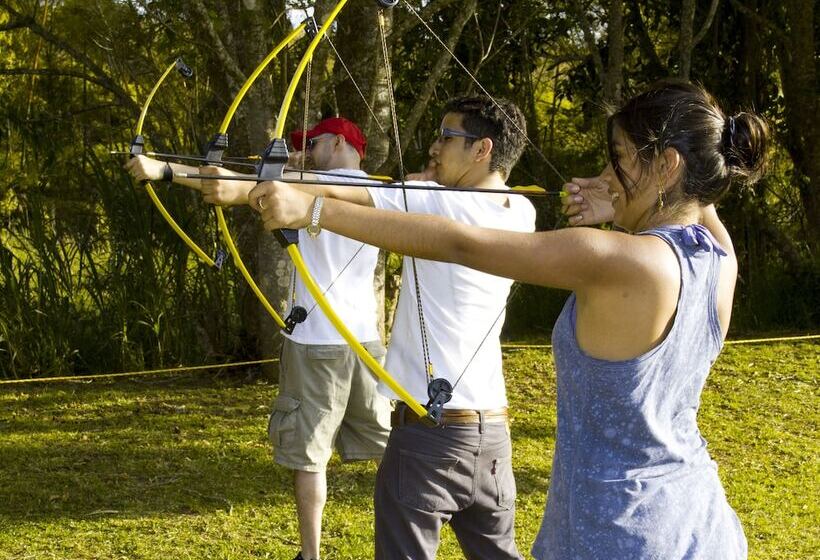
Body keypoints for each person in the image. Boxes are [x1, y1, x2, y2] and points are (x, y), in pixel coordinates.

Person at [251, 81, 767, 559]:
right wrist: (628, 200)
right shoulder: (721, 261)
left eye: (620, 161)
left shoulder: (617, 259)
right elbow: (697, 210)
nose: (607, 176)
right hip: (701, 527)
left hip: (616, 534)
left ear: (668, 165)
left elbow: (459, 243)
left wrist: (312, 210)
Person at [252, 96, 536, 559]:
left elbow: (352, 195)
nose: (435, 147)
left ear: (482, 149)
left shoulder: (435, 203)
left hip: (429, 434)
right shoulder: (521, 210)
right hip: (493, 436)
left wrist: (300, 202)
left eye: (448, 137)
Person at [126, 117, 391, 560]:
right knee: (391, 451)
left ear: (341, 142)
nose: (305, 151)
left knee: (310, 456)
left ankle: (311, 555)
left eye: (314, 143)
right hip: (365, 340)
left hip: (318, 343)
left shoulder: (304, 187)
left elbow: (236, 185)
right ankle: (399, 547)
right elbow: (237, 183)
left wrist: (165, 171)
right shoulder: (383, 192)